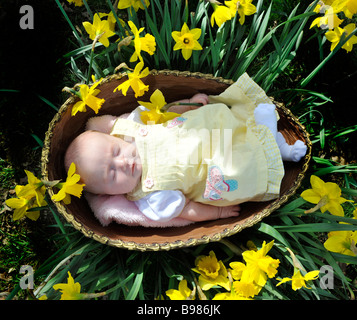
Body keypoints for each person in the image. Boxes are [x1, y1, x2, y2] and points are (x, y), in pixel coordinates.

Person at [65, 73, 307, 225]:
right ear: (108, 194)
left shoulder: (134, 129)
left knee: (222, 120)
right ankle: (275, 148)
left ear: (116, 139)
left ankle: (268, 137)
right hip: (213, 168)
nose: (122, 164)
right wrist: (217, 215)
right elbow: (186, 210)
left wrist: (188, 105)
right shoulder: (149, 198)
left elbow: (165, 113)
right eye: (111, 174)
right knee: (238, 166)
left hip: (206, 132)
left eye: (116, 152)